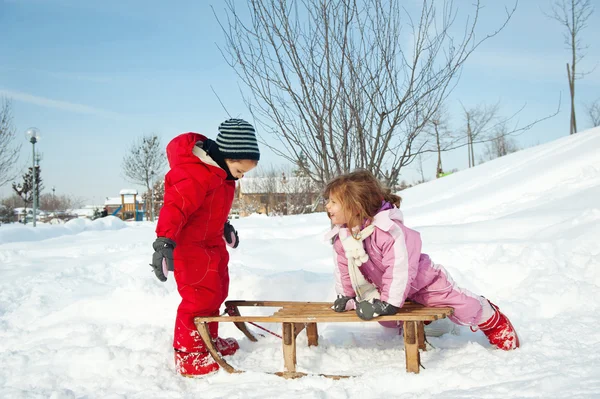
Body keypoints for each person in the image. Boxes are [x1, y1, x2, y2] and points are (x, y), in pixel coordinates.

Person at [324, 170, 520, 351]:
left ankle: (491, 318)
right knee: (386, 319)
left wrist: (390, 302)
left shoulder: (388, 231)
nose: (327, 206)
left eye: (333, 201)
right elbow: (344, 269)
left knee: (461, 306)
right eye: (328, 201)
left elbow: (399, 269)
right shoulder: (344, 237)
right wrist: (346, 296)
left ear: (355, 205)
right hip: (391, 288)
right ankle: (427, 324)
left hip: (423, 282)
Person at [150, 118, 260, 376]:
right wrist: (164, 241)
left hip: (211, 245)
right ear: (227, 156)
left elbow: (211, 208)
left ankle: (207, 341)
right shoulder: (194, 173)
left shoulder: (222, 176)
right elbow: (175, 209)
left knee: (216, 292)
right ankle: (190, 356)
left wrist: (224, 227)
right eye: (240, 170)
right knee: (198, 298)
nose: (241, 176)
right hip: (190, 248)